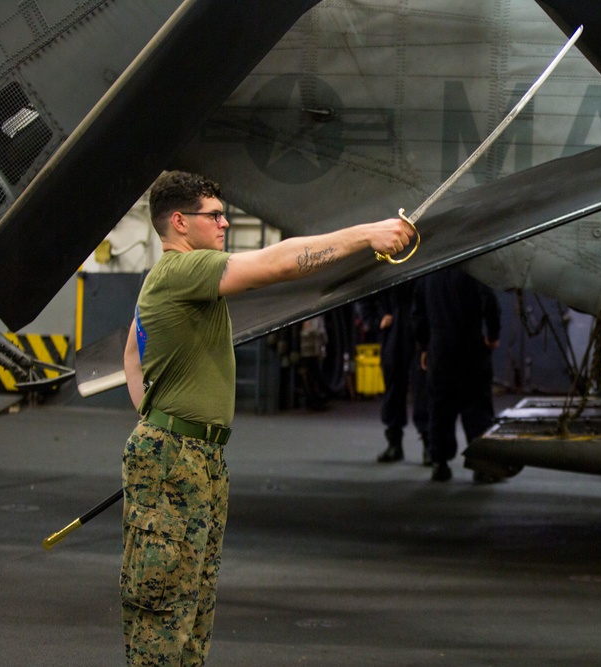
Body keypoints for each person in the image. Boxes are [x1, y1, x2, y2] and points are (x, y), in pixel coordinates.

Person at [120, 170, 413, 665]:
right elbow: (278, 264)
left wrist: (155, 421)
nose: (224, 224)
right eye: (214, 215)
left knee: (192, 611)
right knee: (164, 616)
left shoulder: (176, 284)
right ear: (179, 223)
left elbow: (131, 353)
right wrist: (367, 235)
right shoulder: (180, 270)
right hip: (177, 457)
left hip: (194, 456)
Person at [413, 265, 501, 482]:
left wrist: (425, 346)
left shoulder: (428, 271)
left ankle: (439, 464)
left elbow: (418, 313)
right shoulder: (475, 268)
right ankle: (481, 466)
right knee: (477, 407)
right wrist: (492, 334)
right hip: (471, 345)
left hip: (439, 349)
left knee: (440, 408)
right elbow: (490, 301)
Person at [373, 281, 431, 464]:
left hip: (417, 331)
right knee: (393, 389)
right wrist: (377, 320)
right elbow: (364, 296)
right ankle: (394, 444)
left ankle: (429, 446)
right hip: (394, 332)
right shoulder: (384, 261)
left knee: (423, 390)